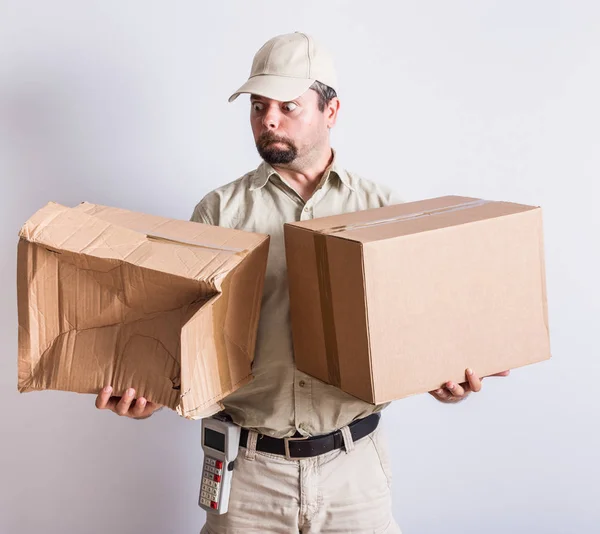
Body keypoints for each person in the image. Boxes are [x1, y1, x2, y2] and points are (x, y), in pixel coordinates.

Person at [95, 32, 509, 533]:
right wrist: (150, 394)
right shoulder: (216, 213)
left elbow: (413, 328)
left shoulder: (383, 210)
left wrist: (443, 377)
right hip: (246, 475)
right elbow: (186, 344)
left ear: (331, 111)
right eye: (258, 106)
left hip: (354, 470)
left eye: (288, 106)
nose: (268, 119)